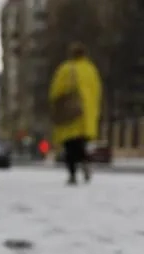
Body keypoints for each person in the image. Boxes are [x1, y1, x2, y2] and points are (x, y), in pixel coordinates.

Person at [48, 42, 102, 185]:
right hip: (86, 115)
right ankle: (85, 161)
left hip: (70, 114)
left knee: (70, 147)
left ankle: (72, 174)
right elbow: (97, 91)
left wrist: (55, 105)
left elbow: (56, 91)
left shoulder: (66, 69)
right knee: (81, 144)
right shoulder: (91, 69)